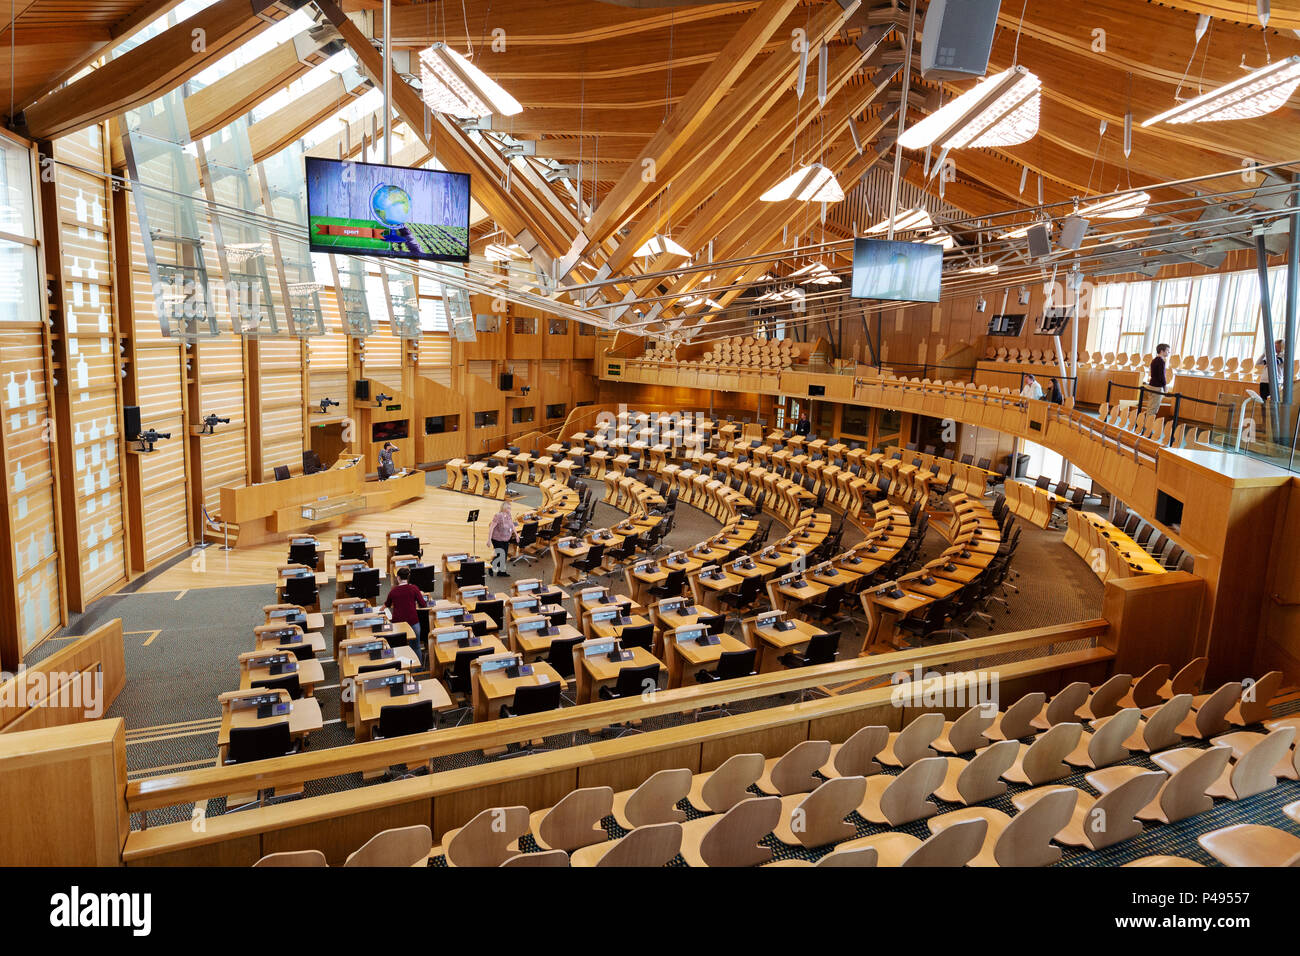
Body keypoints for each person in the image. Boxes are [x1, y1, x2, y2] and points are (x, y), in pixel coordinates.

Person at [383, 565, 428, 662]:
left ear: (398, 578)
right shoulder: (414, 589)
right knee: (416, 647)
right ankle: (418, 669)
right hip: (413, 622)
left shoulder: (393, 591)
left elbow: (386, 605)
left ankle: (399, 667)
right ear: (408, 577)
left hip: (398, 624)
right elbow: (423, 605)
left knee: (398, 648)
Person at [487, 501, 517, 577]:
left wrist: (516, 535)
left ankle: (501, 572)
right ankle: (491, 566)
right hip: (497, 539)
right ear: (504, 508)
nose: (510, 509)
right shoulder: (498, 516)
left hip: (506, 538)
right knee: (501, 555)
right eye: (508, 508)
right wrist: (489, 540)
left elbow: (512, 525)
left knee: (504, 555)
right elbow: (491, 528)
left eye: (510, 508)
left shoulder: (509, 515)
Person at [1145, 343, 1171, 417]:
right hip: (1157, 387)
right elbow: (1161, 376)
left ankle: (1145, 425)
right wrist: (1165, 386)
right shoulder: (1161, 361)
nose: (1168, 353)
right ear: (1162, 351)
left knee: (1150, 407)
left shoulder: (1154, 360)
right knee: (1153, 409)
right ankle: (1148, 427)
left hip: (1151, 385)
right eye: (1167, 351)